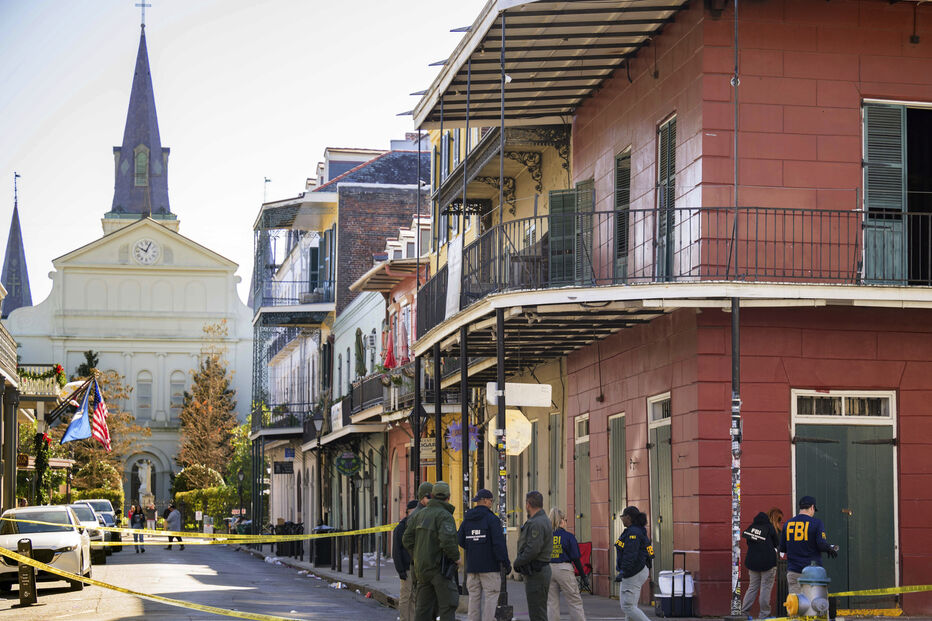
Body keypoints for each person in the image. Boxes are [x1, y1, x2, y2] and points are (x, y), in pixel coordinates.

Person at [402, 480, 460, 621]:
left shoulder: (419, 514)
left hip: (422, 569)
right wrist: (456, 557)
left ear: (432, 495)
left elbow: (406, 539)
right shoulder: (445, 516)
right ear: (448, 497)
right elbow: (448, 541)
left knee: (423, 609)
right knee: (447, 605)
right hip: (439, 568)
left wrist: (417, 554)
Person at [458, 488, 510, 621]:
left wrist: (473, 547)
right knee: (491, 598)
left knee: (474, 599)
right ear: (485, 501)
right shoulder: (492, 519)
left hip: (472, 567)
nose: (491, 504)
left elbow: (460, 539)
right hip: (490, 567)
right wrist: (505, 563)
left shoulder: (467, 519)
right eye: (491, 501)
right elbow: (499, 544)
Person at [780, 496, 837, 595]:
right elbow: (821, 545)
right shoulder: (817, 523)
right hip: (813, 572)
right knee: (815, 606)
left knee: (795, 606)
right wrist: (829, 548)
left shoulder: (787, 524)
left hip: (794, 571)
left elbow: (783, 548)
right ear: (812, 507)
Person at [513, 490, 552, 621]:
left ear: (528, 504)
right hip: (538, 571)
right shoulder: (542, 520)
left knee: (537, 613)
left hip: (537, 572)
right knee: (538, 610)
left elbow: (533, 549)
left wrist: (518, 562)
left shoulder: (536, 523)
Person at [546, 508, 586, 621]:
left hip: (548, 569)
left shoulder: (546, 536)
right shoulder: (568, 536)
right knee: (574, 600)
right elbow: (576, 558)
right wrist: (583, 575)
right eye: (566, 520)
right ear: (561, 521)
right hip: (564, 568)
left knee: (552, 602)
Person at [614, 506, 652, 621]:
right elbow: (649, 553)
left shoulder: (633, 533)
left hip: (633, 572)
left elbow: (630, 554)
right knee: (631, 608)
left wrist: (623, 571)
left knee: (628, 606)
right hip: (636, 570)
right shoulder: (637, 530)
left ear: (628, 517)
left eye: (623, 517)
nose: (621, 519)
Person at [741, 510, 780, 618]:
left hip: (753, 563)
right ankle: (764, 614)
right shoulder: (770, 527)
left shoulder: (751, 528)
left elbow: (748, 542)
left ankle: (744, 613)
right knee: (765, 588)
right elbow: (777, 543)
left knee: (752, 587)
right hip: (768, 563)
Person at [393, 499, 419, 621]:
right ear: (408, 512)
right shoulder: (401, 528)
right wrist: (400, 570)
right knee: (405, 596)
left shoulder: (416, 525)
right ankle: (404, 618)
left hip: (416, 567)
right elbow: (396, 551)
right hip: (406, 567)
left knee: (413, 597)